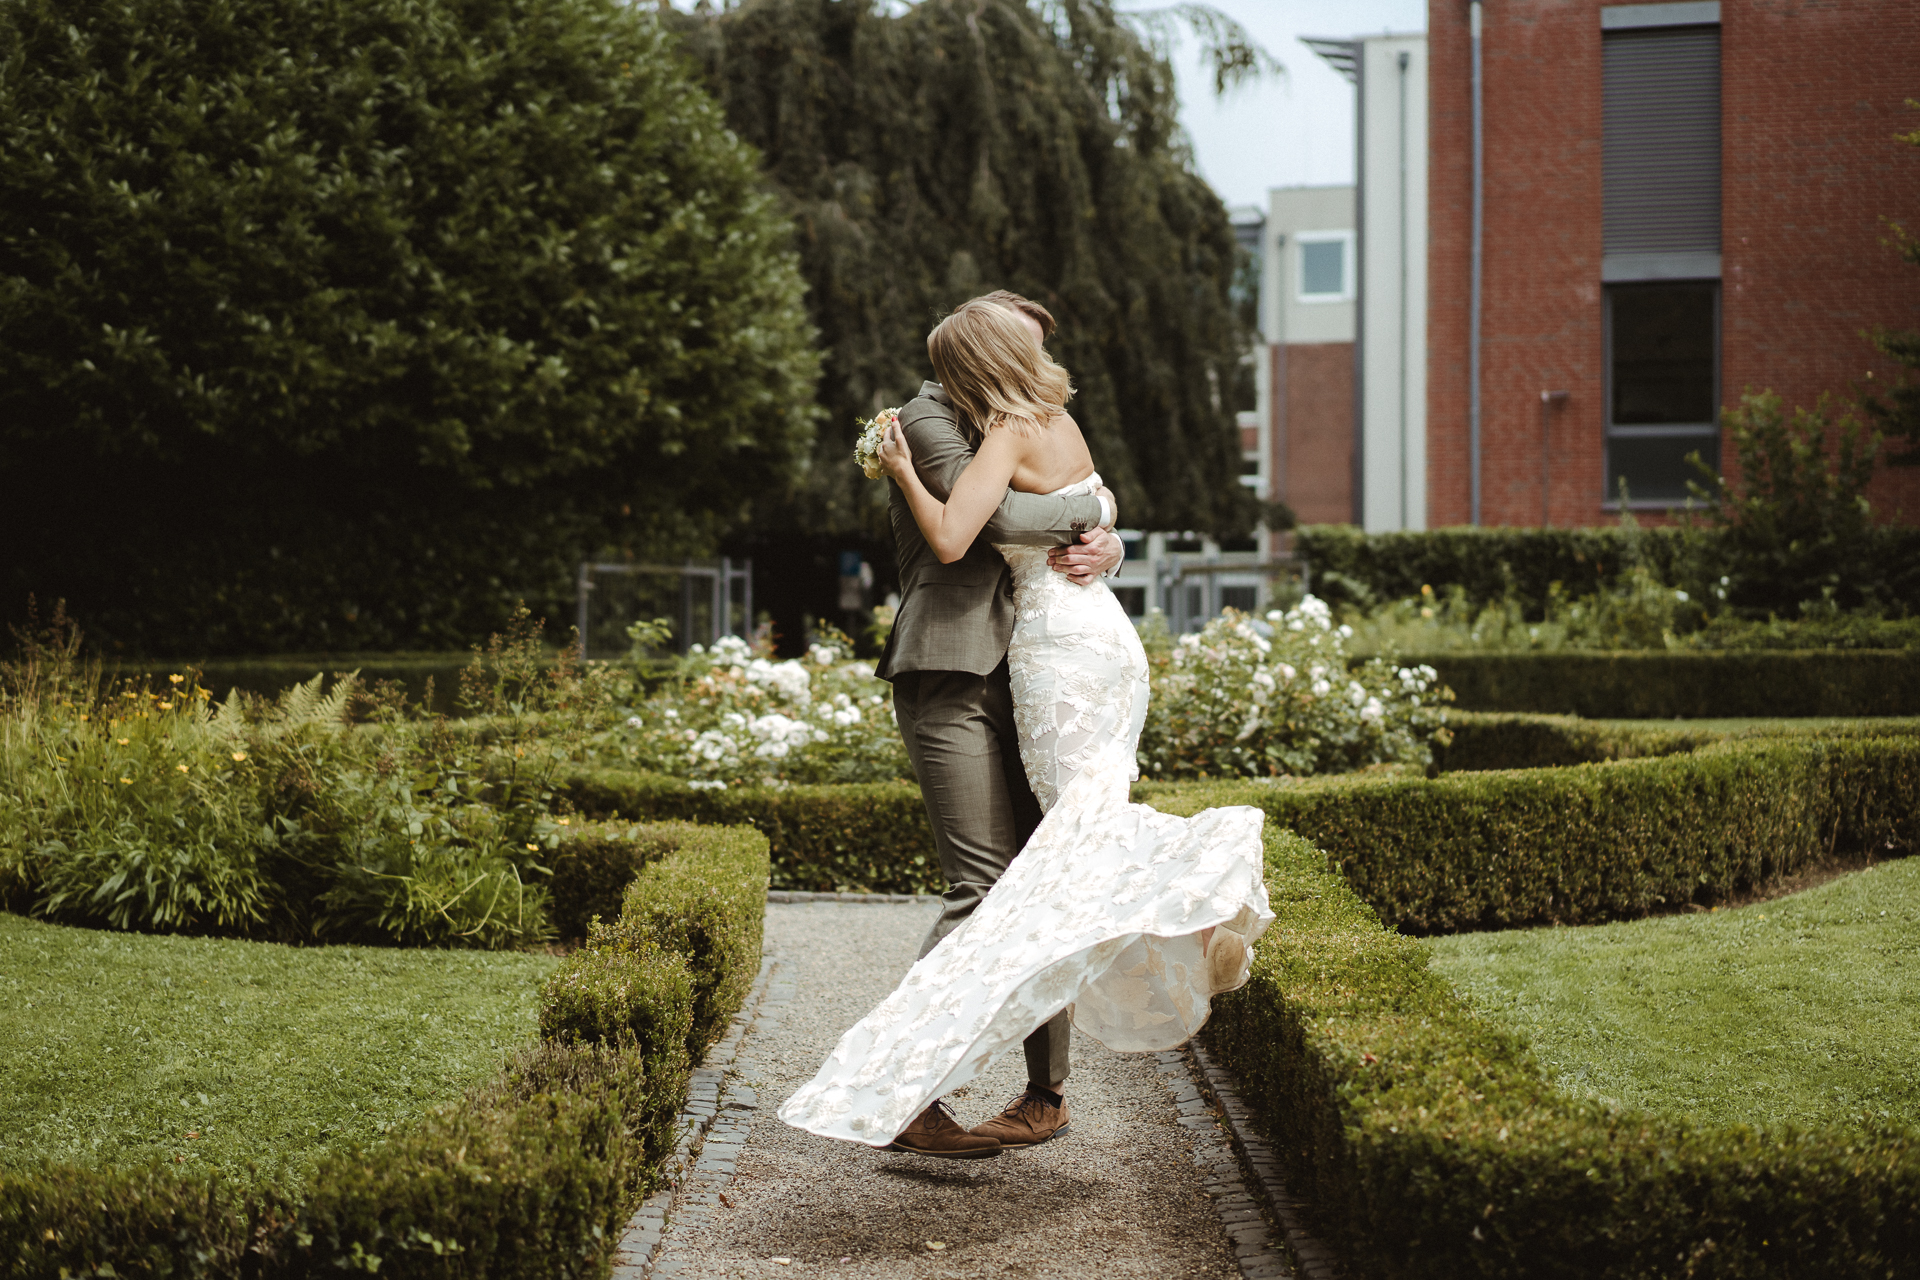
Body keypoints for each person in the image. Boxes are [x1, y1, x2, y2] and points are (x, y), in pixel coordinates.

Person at [778, 295, 1271, 1158]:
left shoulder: (1014, 418)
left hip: (1041, 663)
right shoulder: (932, 415)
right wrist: (1098, 516)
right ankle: (913, 1096)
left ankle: (1051, 1084)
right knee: (990, 885)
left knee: (1048, 866)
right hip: (961, 667)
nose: (1044, 352)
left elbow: (1033, 500)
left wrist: (1105, 528)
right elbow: (997, 523)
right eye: (1030, 339)